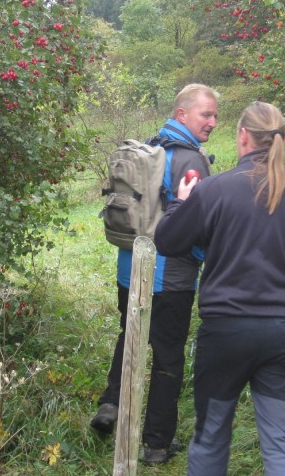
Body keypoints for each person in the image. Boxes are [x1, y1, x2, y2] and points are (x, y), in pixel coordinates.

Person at [154, 101, 285, 476]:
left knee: (211, 438)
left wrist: (180, 202)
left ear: (243, 136)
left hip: (225, 334)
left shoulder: (214, 190)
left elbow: (168, 241)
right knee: (282, 444)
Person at [90, 83, 220, 467]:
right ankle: (157, 444)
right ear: (182, 114)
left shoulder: (151, 147)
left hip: (129, 270)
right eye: (205, 114)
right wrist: (207, 257)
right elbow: (195, 227)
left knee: (128, 336)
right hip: (171, 278)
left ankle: (110, 405)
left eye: (215, 116)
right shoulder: (190, 161)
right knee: (168, 359)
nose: (212, 122)